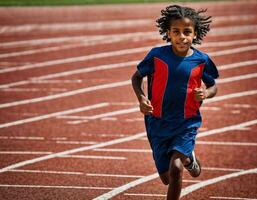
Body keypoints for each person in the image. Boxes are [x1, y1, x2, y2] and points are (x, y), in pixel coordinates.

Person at [131, 5, 219, 200]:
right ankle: (190, 158)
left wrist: (206, 93)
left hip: (186, 122)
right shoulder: (156, 56)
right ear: (168, 33)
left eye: (187, 32)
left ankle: (183, 159)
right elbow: (136, 77)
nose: (182, 37)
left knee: (176, 168)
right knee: (166, 178)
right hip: (157, 122)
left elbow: (213, 86)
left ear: (195, 33)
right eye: (176, 32)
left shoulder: (201, 60)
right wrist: (141, 98)